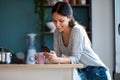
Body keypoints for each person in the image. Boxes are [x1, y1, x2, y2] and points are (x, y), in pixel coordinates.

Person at [36, 1, 111, 80]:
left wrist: (57, 59)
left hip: (97, 72)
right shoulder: (57, 33)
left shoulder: (77, 30)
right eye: (54, 21)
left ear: (69, 18)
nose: (57, 25)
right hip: (80, 72)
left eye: (61, 21)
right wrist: (48, 58)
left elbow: (75, 59)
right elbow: (58, 57)